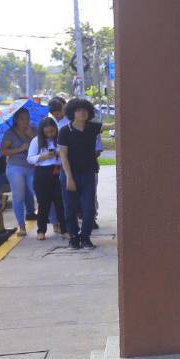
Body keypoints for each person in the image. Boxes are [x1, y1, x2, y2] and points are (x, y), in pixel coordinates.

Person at [58, 98, 103, 250]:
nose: (82, 113)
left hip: (89, 173)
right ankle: (73, 237)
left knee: (89, 208)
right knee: (70, 208)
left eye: (85, 110)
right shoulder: (65, 131)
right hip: (69, 174)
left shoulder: (92, 127)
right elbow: (63, 155)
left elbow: (112, 125)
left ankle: (85, 237)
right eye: (78, 110)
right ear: (72, 113)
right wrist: (69, 178)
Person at [27, 117, 67, 240]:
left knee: (60, 202)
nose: (49, 134)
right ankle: (41, 230)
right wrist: (43, 156)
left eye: (52, 131)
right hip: (42, 172)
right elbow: (30, 158)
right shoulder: (36, 141)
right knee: (43, 203)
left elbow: (66, 155)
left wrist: (58, 153)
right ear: (42, 131)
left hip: (58, 169)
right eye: (47, 132)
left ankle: (65, 229)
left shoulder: (60, 139)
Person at [0, 108, 36, 236]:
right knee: (18, 196)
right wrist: (19, 149)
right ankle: (21, 226)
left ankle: (54, 222)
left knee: (39, 192)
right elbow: (3, 151)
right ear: (16, 119)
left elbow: (42, 145)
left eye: (27, 118)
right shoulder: (10, 133)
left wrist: (31, 136)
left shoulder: (33, 130)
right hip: (16, 167)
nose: (25, 121)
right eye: (22, 118)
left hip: (32, 167)